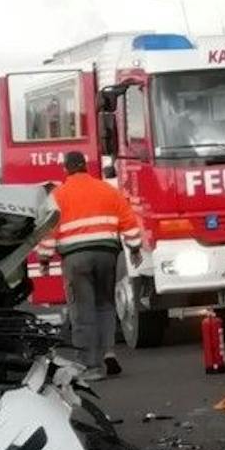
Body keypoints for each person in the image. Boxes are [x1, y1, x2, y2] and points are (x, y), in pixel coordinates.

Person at [36, 150, 143, 381]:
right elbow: (129, 221)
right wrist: (134, 249)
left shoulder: (58, 195)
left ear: (66, 169)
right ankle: (108, 352)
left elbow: (48, 232)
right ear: (85, 166)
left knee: (82, 310)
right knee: (105, 305)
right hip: (106, 254)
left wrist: (43, 260)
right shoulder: (107, 190)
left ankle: (91, 366)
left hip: (76, 260)